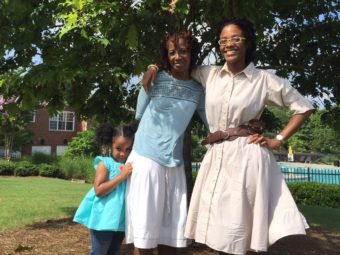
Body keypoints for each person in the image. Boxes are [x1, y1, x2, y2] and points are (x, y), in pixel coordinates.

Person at [142, 18, 314, 255]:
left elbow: (303, 107)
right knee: (216, 229)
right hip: (216, 155)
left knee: (238, 227)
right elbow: (178, 62)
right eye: (223, 40)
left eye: (235, 38)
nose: (229, 44)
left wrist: (278, 140)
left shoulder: (263, 80)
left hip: (247, 157)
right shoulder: (207, 74)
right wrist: (153, 66)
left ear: (247, 43)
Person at [125, 31, 208, 255]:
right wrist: (153, 67)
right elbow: (139, 117)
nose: (177, 57)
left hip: (175, 164)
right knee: (144, 235)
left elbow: (212, 122)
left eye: (183, 51)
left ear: (192, 54)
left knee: (172, 236)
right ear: (166, 55)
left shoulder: (198, 90)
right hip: (146, 159)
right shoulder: (154, 79)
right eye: (172, 52)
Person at [73, 123, 134, 255]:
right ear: (110, 145)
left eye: (128, 149)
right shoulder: (104, 163)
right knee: (99, 252)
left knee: (114, 252)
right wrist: (121, 176)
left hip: (121, 222)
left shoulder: (130, 165)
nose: (123, 154)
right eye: (118, 148)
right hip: (103, 220)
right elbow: (99, 191)